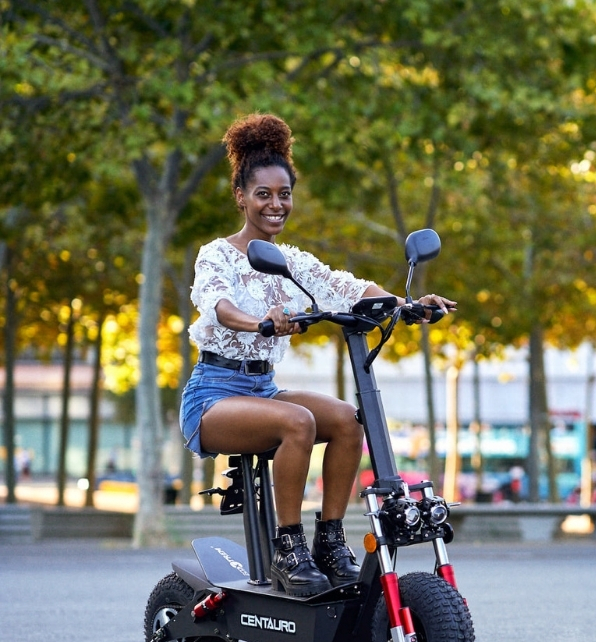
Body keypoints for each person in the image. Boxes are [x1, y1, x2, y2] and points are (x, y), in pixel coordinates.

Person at [179, 113, 455, 597]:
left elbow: (348, 287)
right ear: (240, 196)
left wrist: (406, 304)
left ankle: (329, 540)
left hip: (263, 389)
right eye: (263, 194)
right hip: (213, 397)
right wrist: (260, 321)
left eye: (284, 194)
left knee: (350, 420)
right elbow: (219, 307)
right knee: (298, 422)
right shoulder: (217, 254)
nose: (275, 204)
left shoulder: (292, 261)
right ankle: (289, 548)